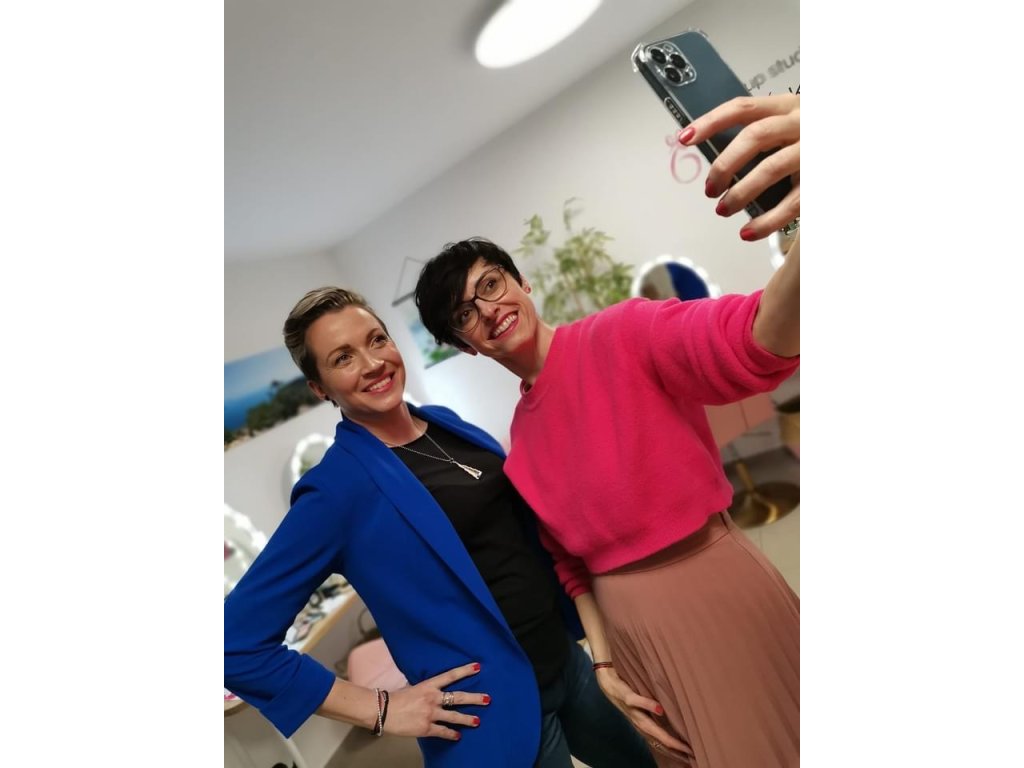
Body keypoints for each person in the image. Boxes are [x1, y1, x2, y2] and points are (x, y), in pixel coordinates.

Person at [413, 94, 800, 768]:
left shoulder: (623, 333)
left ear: (522, 282)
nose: (488, 309)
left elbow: (751, 343)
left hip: (715, 591)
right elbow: (572, 567)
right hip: (632, 637)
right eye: (465, 314)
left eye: (491, 284)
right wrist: (605, 663)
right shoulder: (520, 443)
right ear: (466, 345)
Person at [223, 288, 656, 768]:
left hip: (564, 659)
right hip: (490, 709)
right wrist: (380, 709)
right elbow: (233, 644)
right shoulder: (335, 489)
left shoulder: (445, 424)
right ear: (319, 388)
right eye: (343, 358)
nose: (373, 363)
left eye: (376, 340)